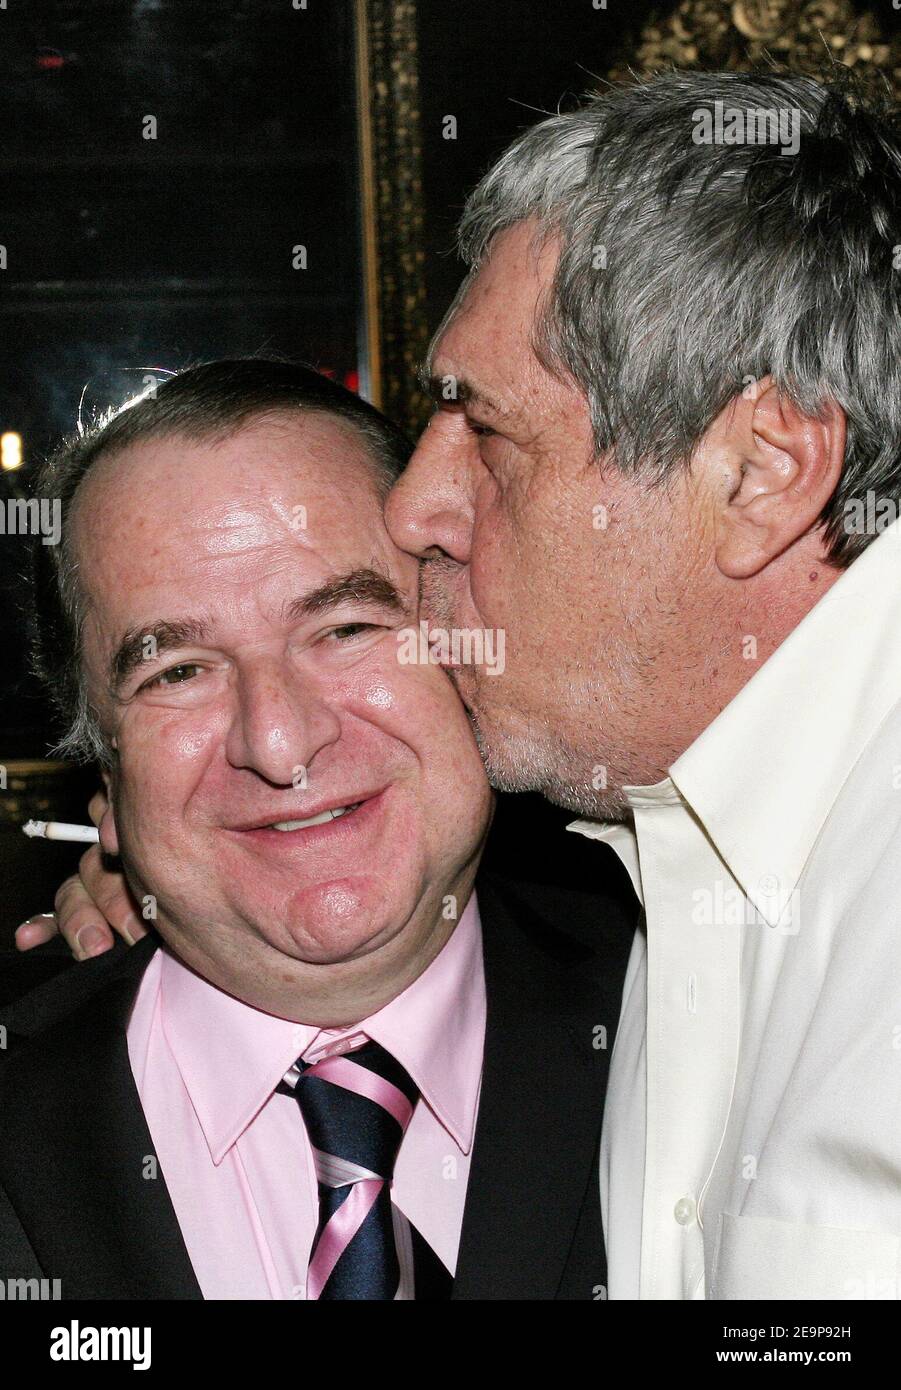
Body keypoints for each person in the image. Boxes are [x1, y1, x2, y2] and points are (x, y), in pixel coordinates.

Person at [1, 360, 634, 1300]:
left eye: (343, 628)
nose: (280, 740)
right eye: (176, 671)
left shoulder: (690, 1013)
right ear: (105, 763)